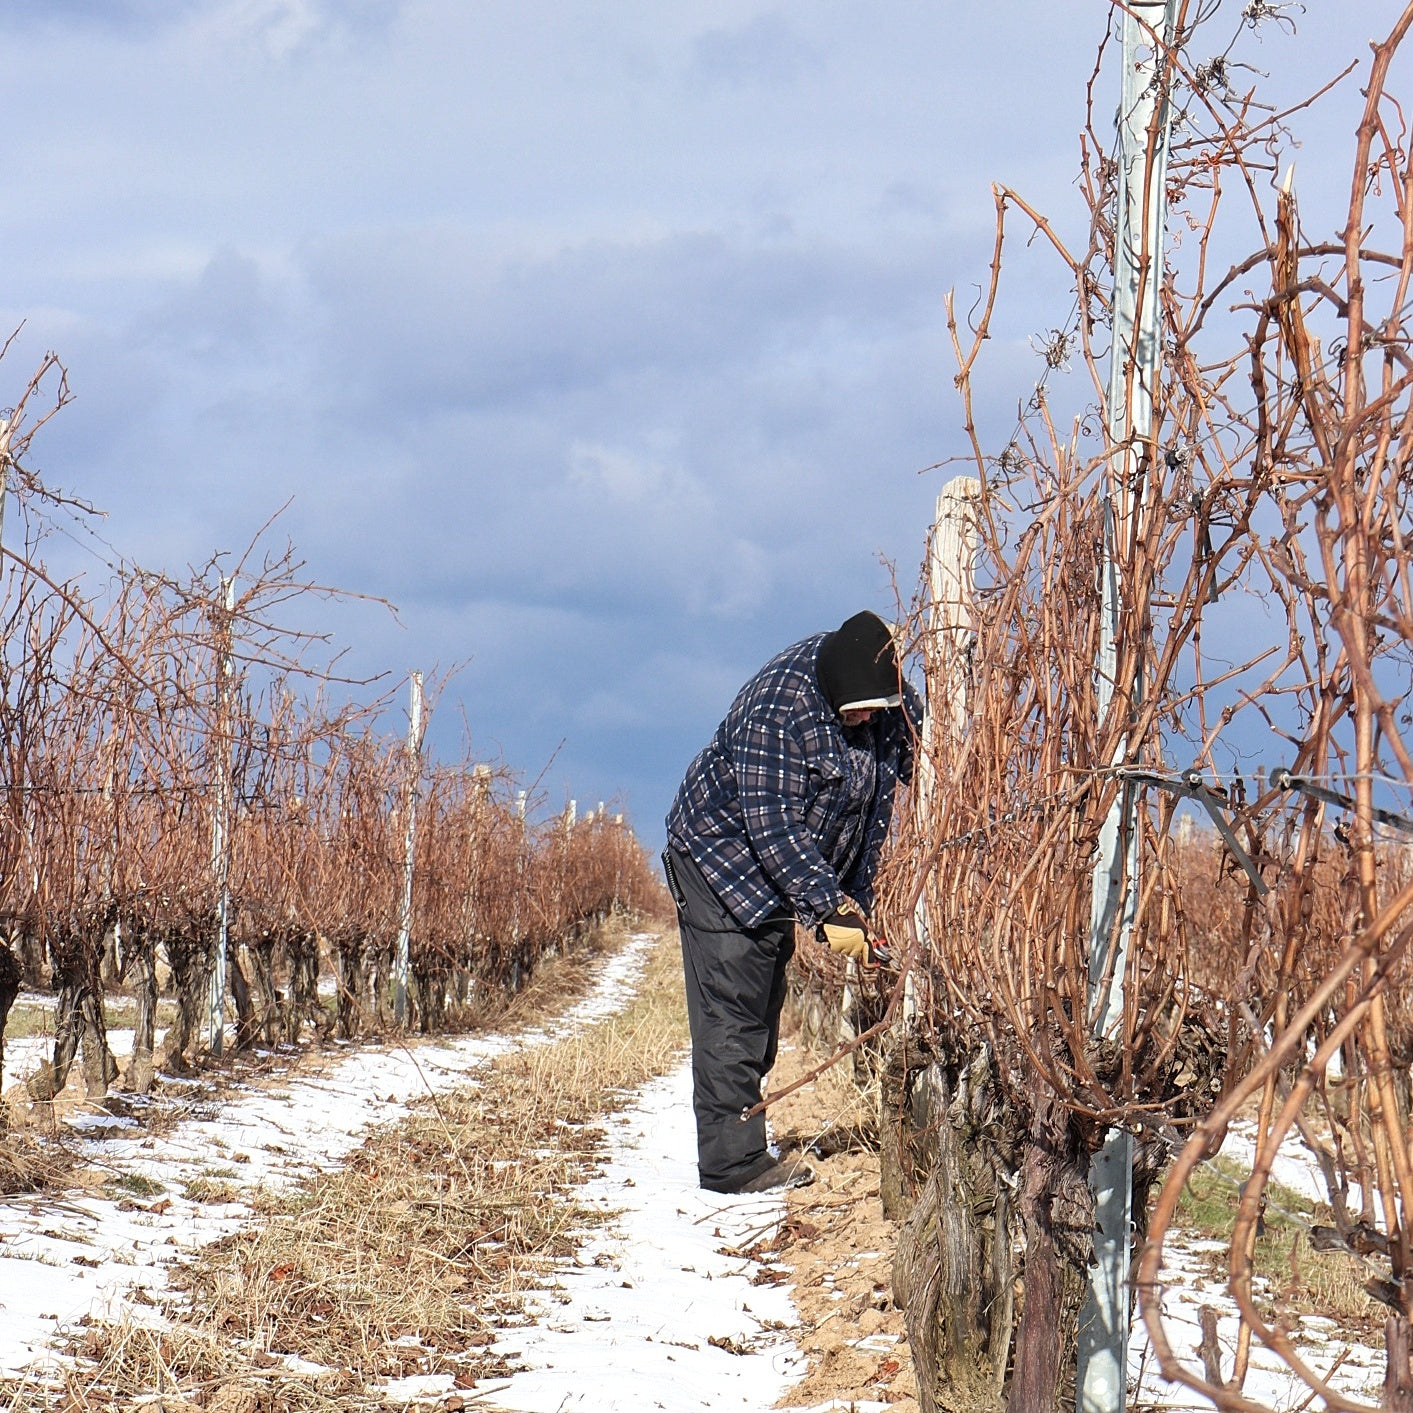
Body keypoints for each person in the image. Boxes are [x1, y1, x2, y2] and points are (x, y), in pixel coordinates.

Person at [663, 610, 921, 1194]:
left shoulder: (880, 694)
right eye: (853, 713)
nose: (863, 721)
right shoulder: (776, 714)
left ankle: (743, 1134)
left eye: (873, 714)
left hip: (774, 876)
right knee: (734, 1006)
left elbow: (914, 760)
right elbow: (775, 829)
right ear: (833, 695)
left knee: (763, 1003)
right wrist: (833, 912)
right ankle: (733, 1167)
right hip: (720, 862)